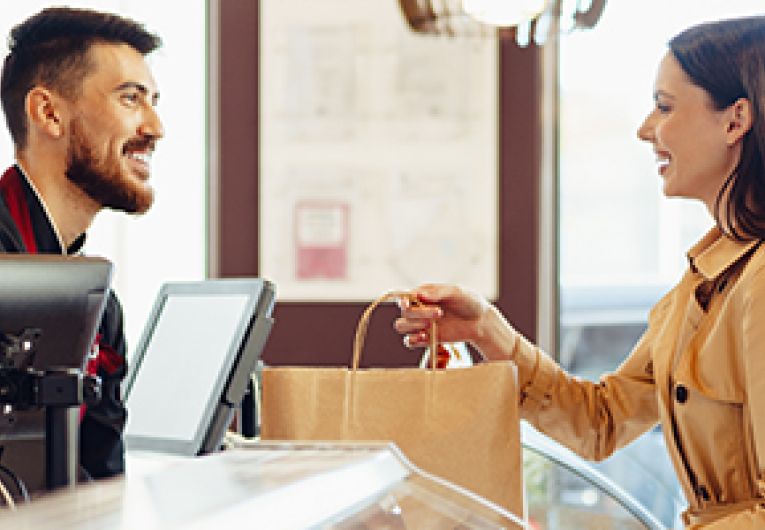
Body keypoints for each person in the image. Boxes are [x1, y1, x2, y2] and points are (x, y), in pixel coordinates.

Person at [395, 15, 765, 529]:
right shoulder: (703, 280)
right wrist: (487, 330)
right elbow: (601, 423)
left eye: (664, 106)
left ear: (735, 120)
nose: (644, 129)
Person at [0, 7, 163, 480]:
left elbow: (100, 483)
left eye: (154, 101)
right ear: (48, 112)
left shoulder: (98, 305)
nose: (155, 127)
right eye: (131, 99)